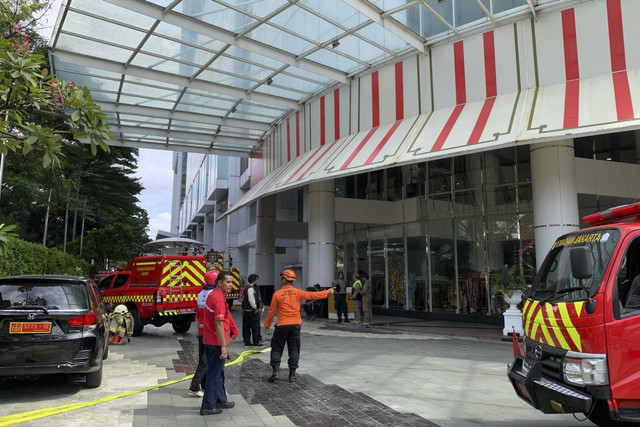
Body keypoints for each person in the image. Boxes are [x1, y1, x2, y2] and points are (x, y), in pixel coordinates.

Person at [264, 269, 334, 383]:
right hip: (296, 324)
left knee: (277, 347)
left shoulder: (277, 294)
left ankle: (275, 373)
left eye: (281, 278)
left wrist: (267, 324)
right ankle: (292, 376)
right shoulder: (297, 292)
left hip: (282, 325)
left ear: (284, 279)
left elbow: (271, 311)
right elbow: (311, 295)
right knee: (294, 348)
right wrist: (327, 292)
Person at [200, 271, 238, 416]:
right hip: (215, 342)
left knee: (219, 373)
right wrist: (223, 346)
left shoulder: (216, 295)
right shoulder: (218, 299)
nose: (230, 285)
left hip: (212, 340)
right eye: (228, 282)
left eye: (231, 282)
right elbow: (219, 324)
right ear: (219, 282)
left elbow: (226, 318)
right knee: (213, 374)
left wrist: (233, 330)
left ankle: (220, 399)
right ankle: (208, 406)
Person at [188, 270, 219, 397]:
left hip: (202, 332)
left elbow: (199, 314)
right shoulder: (214, 294)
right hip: (210, 333)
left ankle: (204, 387)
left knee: (203, 359)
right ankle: (194, 386)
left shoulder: (201, 293)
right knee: (205, 361)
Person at [241, 274, 263, 347]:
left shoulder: (246, 288)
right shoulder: (250, 288)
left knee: (247, 327)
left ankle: (247, 342)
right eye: (256, 279)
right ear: (254, 280)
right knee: (255, 327)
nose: (257, 281)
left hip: (246, 311)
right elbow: (251, 300)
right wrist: (255, 307)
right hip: (251, 311)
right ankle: (256, 342)